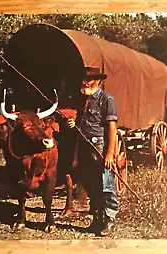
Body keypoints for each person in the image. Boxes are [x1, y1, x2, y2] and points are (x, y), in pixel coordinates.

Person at [66, 67, 118, 236]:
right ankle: (97, 219)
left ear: (97, 81)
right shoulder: (83, 100)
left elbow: (112, 128)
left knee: (106, 185)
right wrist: (73, 125)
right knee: (91, 186)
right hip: (83, 147)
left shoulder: (107, 99)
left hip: (99, 149)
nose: (84, 82)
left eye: (88, 79)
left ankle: (108, 221)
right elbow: (81, 123)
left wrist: (109, 153)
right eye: (83, 79)